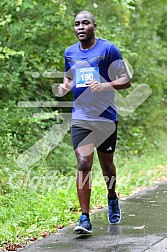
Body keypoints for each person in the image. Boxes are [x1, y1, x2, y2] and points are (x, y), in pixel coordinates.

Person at [58, 10, 131, 234]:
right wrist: (65, 87)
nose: (81, 27)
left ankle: (112, 196)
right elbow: (69, 76)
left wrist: (105, 86)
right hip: (81, 116)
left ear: (94, 26)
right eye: (77, 24)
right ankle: (84, 218)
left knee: (107, 166)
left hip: (105, 116)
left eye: (85, 23)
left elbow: (126, 79)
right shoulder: (70, 52)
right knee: (83, 163)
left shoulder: (108, 49)